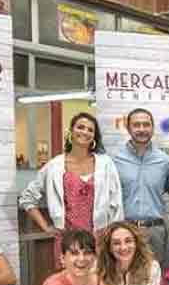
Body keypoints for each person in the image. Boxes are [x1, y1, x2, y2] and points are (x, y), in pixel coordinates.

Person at [20, 111, 123, 263]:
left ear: (94, 137)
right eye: (80, 127)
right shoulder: (54, 165)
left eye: (90, 130)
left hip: (99, 239)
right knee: (68, 283)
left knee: (100, 283)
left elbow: (117, 203)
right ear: (70, 132)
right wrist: (46, 227)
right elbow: (27, 198)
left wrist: (114, 235)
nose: (85, 132)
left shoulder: (106, 164)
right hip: (67, 241)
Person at [111, 108, 169, 269]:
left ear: (152, 128)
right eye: (136, 125)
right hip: (125, 231)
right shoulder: (115, 160)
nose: (141, 129)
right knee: (125, 279)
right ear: (128, 127)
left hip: (156, 231)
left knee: (156, 280)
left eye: (146, 125)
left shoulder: (165, 161)